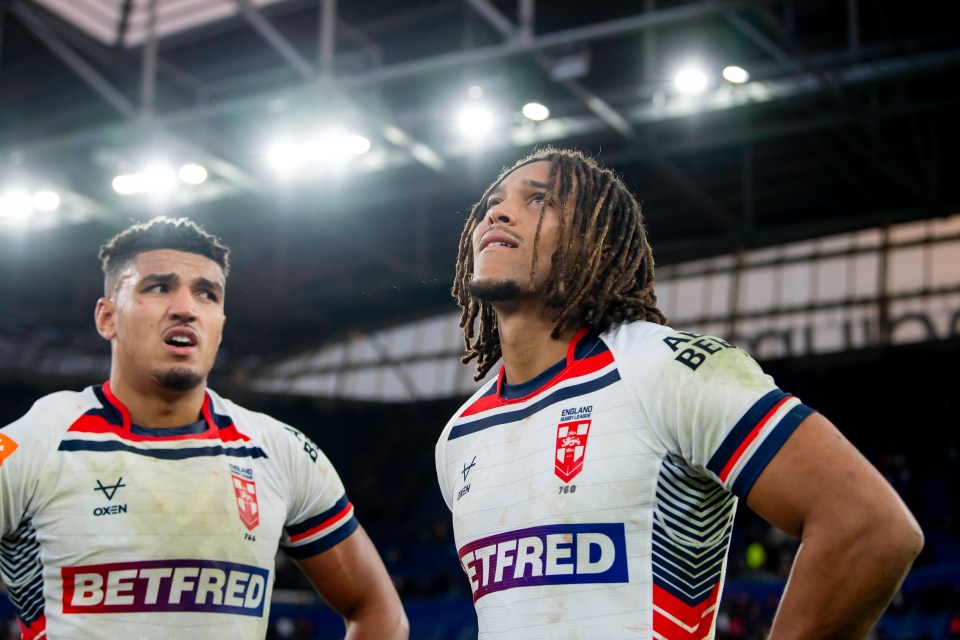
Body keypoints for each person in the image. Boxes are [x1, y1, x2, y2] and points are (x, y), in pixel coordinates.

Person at [435, 147, 923, 638]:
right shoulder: (459, 439)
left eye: (539, 200)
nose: (496, 212)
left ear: (597, 247)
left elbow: (870, 527)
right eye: (490, 203)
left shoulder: (668, 370)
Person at [0, 217, 408, 640]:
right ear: (107, 318)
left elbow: (379, 611)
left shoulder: (279, 451)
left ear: (220, 324)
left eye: (206, 294)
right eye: (158, 287)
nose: (185, 308)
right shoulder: (39, 441)